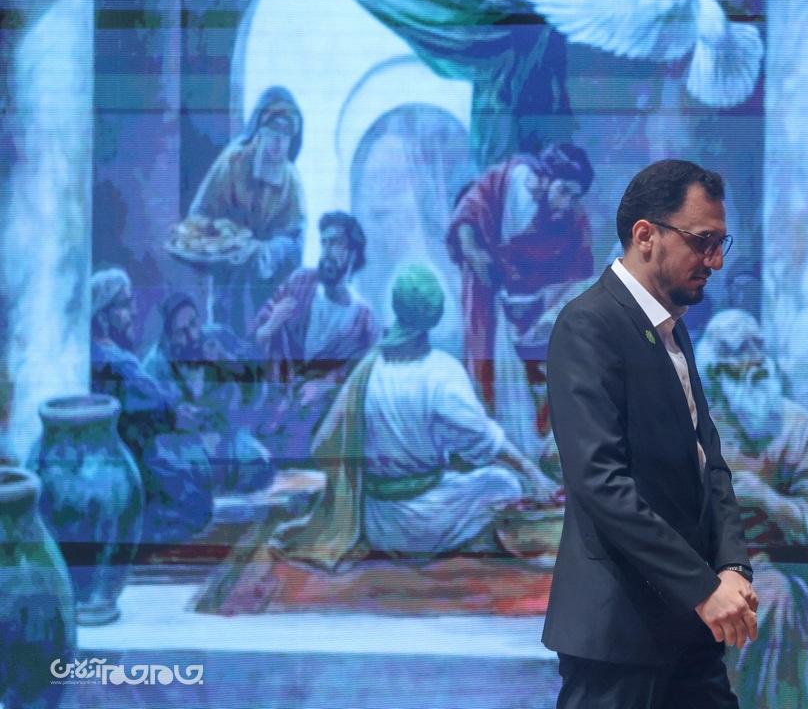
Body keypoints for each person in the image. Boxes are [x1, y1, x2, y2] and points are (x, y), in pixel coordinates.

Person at [543, 159, 757, 709]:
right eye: (703, 241)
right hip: (619, 635)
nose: (715, 261)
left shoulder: (672, 329)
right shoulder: (588, 324)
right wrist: (704, 588)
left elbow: (709, 465)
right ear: (645, 236)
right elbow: (600, 483)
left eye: (720, 243)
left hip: (691, 629)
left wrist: (733, 566)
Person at [270, 265, 555, 568]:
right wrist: (532, 471)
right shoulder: (442, 372)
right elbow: (484, 441)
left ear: (397, 307)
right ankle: (472, 543)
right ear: (435, 314)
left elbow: (323, 445)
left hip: (375, 521)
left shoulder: (369, 368)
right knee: (503, 483)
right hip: (422, 523)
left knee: (460, 481)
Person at [696, 309, 808, 709]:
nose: (754, 364)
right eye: (738, 357)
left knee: (770, 604)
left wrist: (764, 498)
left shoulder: (795, 427)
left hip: (767, 566)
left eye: (758, 353)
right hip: (696, 565)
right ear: (717, 373)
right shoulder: (694, 426)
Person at [446, 142, 595, 455]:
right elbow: (468, 216)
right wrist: (475, 255)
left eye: (574, 196)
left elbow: (578, 274)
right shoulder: (507, 182)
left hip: (538, 312)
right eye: (563, 191)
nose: (567, 203)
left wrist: (549, 307)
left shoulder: (572, 221)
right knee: (491, 378)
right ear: (545, 178)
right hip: (491, 302)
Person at [89, 269, 214, 545]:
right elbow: (152, 403)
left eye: (132, 302)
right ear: (102, 316)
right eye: (125, 305)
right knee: (195, 501)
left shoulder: (110, 355)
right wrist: (175, 415)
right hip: (131, 461)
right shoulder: (112, 362)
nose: (134, 312)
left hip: (139, 449)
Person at [252, 211, 378, 464]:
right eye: (324, 242)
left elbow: (364, 380)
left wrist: (327, 386)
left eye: (336, 243)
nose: (327, 251)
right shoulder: (300, 283)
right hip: (272, 407)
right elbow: (254, 338)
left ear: (353, 252)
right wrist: (271, 325)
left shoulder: (363, 319)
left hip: (320, 423)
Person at [188, 86, 306, 334]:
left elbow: (296, 240)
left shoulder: (291, 182)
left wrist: (266, 251)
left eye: (286, 134)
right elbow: (199, 214)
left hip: (268, 286)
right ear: (259, 129)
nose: (278, 142)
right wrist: (225, 238)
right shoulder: (233, 162)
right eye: (274, 130)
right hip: (229, 280)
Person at [143, 293, 273, 494]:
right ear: (168, 338)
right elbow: (148, 420)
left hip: (227, 438)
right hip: (186, 446)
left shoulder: (218, 337)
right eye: (182, 332)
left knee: (261, 466)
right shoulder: (155, 365)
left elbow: (257, 382)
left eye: (194, 324)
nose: (193, 336)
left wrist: (225, 359)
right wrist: (174, 416)